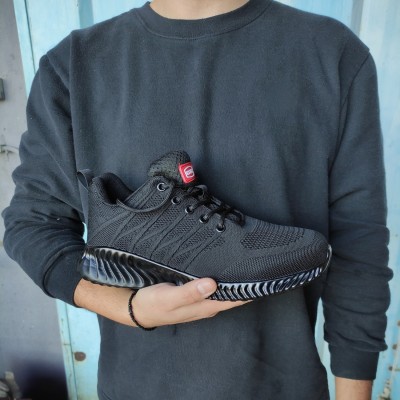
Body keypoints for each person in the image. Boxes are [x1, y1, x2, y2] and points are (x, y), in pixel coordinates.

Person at [2, 0, 392, 399]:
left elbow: (358, 246)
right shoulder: (73, 64)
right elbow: (33, 224)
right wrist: (128, 308)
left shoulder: (331, 52)